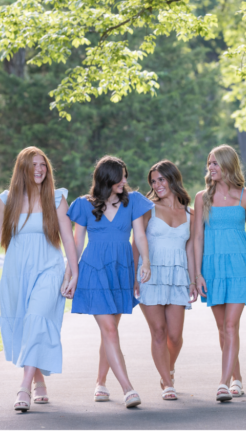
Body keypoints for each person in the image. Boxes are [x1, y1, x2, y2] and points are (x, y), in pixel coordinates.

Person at [0, 147, 78, 412]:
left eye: (43, 165)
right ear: (22, 169)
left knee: (37, 319)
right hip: (17, 273)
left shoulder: (57, 199)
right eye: (34, 165)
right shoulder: (7, 200)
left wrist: (73, 272)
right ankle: (39, 381)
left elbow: (68, 238)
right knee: (28, 325)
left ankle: (24, 387)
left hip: (49, 269)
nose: (40, 170)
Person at [68, 155, 153, 408]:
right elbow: (76, 243)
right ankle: (128, 389)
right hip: (94, 270)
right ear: (106, 178)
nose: (125, 180)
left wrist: (144, 262)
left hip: (121, 270)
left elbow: (139, 235)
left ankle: (100, 382)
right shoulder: (83, 205)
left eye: (125, 175)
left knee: (110, 332)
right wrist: (70, 274)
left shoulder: (134, 201)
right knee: (110, 330)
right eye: (120, 176)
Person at [192, 145, 246, 403]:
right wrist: (197, 274)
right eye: (209, 163)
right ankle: (237, 378)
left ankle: (223, 383)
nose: (210, 167)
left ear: (227, 165)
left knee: (231, 325)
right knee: (223, 329)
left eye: (215, 163)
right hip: (212, 268)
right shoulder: (202, 198)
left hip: (239, 266)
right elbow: (197, 238)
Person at [134, 160, 197, 400]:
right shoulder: (147, 208)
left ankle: (168, 368)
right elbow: (136, 243)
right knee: (158, 332)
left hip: (177, 276)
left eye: (161, 179)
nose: (157, 185)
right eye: (153, 181)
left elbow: (190, 250)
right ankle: (167, 382)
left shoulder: (189, 212)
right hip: (149, 274)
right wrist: (134, 277)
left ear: (173, 178)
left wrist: (192, 280)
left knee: (175, 336)